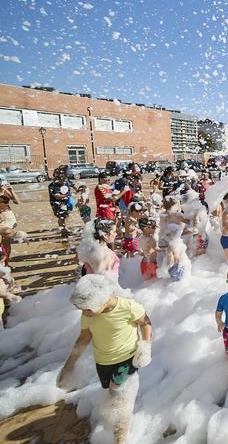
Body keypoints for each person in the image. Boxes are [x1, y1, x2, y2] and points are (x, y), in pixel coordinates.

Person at [58, 274, 152, 444]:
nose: (84, 313)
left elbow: (145, 322)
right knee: (111, 390)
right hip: (102, 361)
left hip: (127, 359)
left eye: (87, 309)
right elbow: (84, 337)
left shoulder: (128, 307)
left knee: (120, 395)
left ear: (103, 300)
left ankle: (120, 436)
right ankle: (119, 415)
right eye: (81, 309)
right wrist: (69, 365)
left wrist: (145, 347)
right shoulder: (89, 313)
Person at [48, 166, 74, 236]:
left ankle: (65, 229)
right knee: (61, 217)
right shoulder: (54, 185)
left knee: (65, 216)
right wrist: (68, 195)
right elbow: (57, 196)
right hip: (56, 203)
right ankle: (63, 231)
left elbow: (72, 185)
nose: (66, 181)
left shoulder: (66, 182)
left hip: (65, 202)